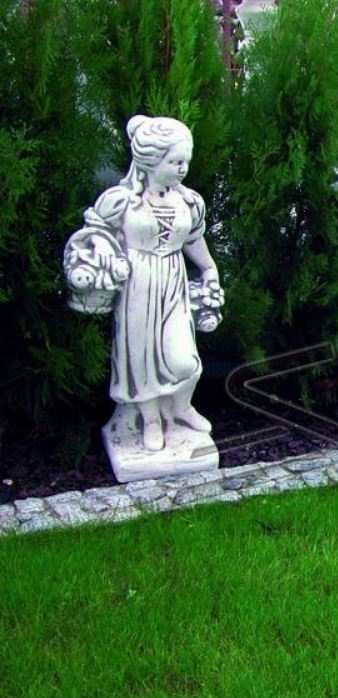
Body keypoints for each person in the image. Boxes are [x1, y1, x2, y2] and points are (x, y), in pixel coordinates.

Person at [78, 115, 221, 451]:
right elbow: (95, 231)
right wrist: (104, 251)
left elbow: (193, 239)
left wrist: (209, 269)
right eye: (175, 162)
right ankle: (151, 421)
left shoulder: (188, 201)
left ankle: (181, 408)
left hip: (173, 281)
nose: (183, 168)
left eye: (186, 161)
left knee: (185, 360)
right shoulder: (121, 200)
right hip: (137, 285)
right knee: (140, 358)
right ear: (150, 161)